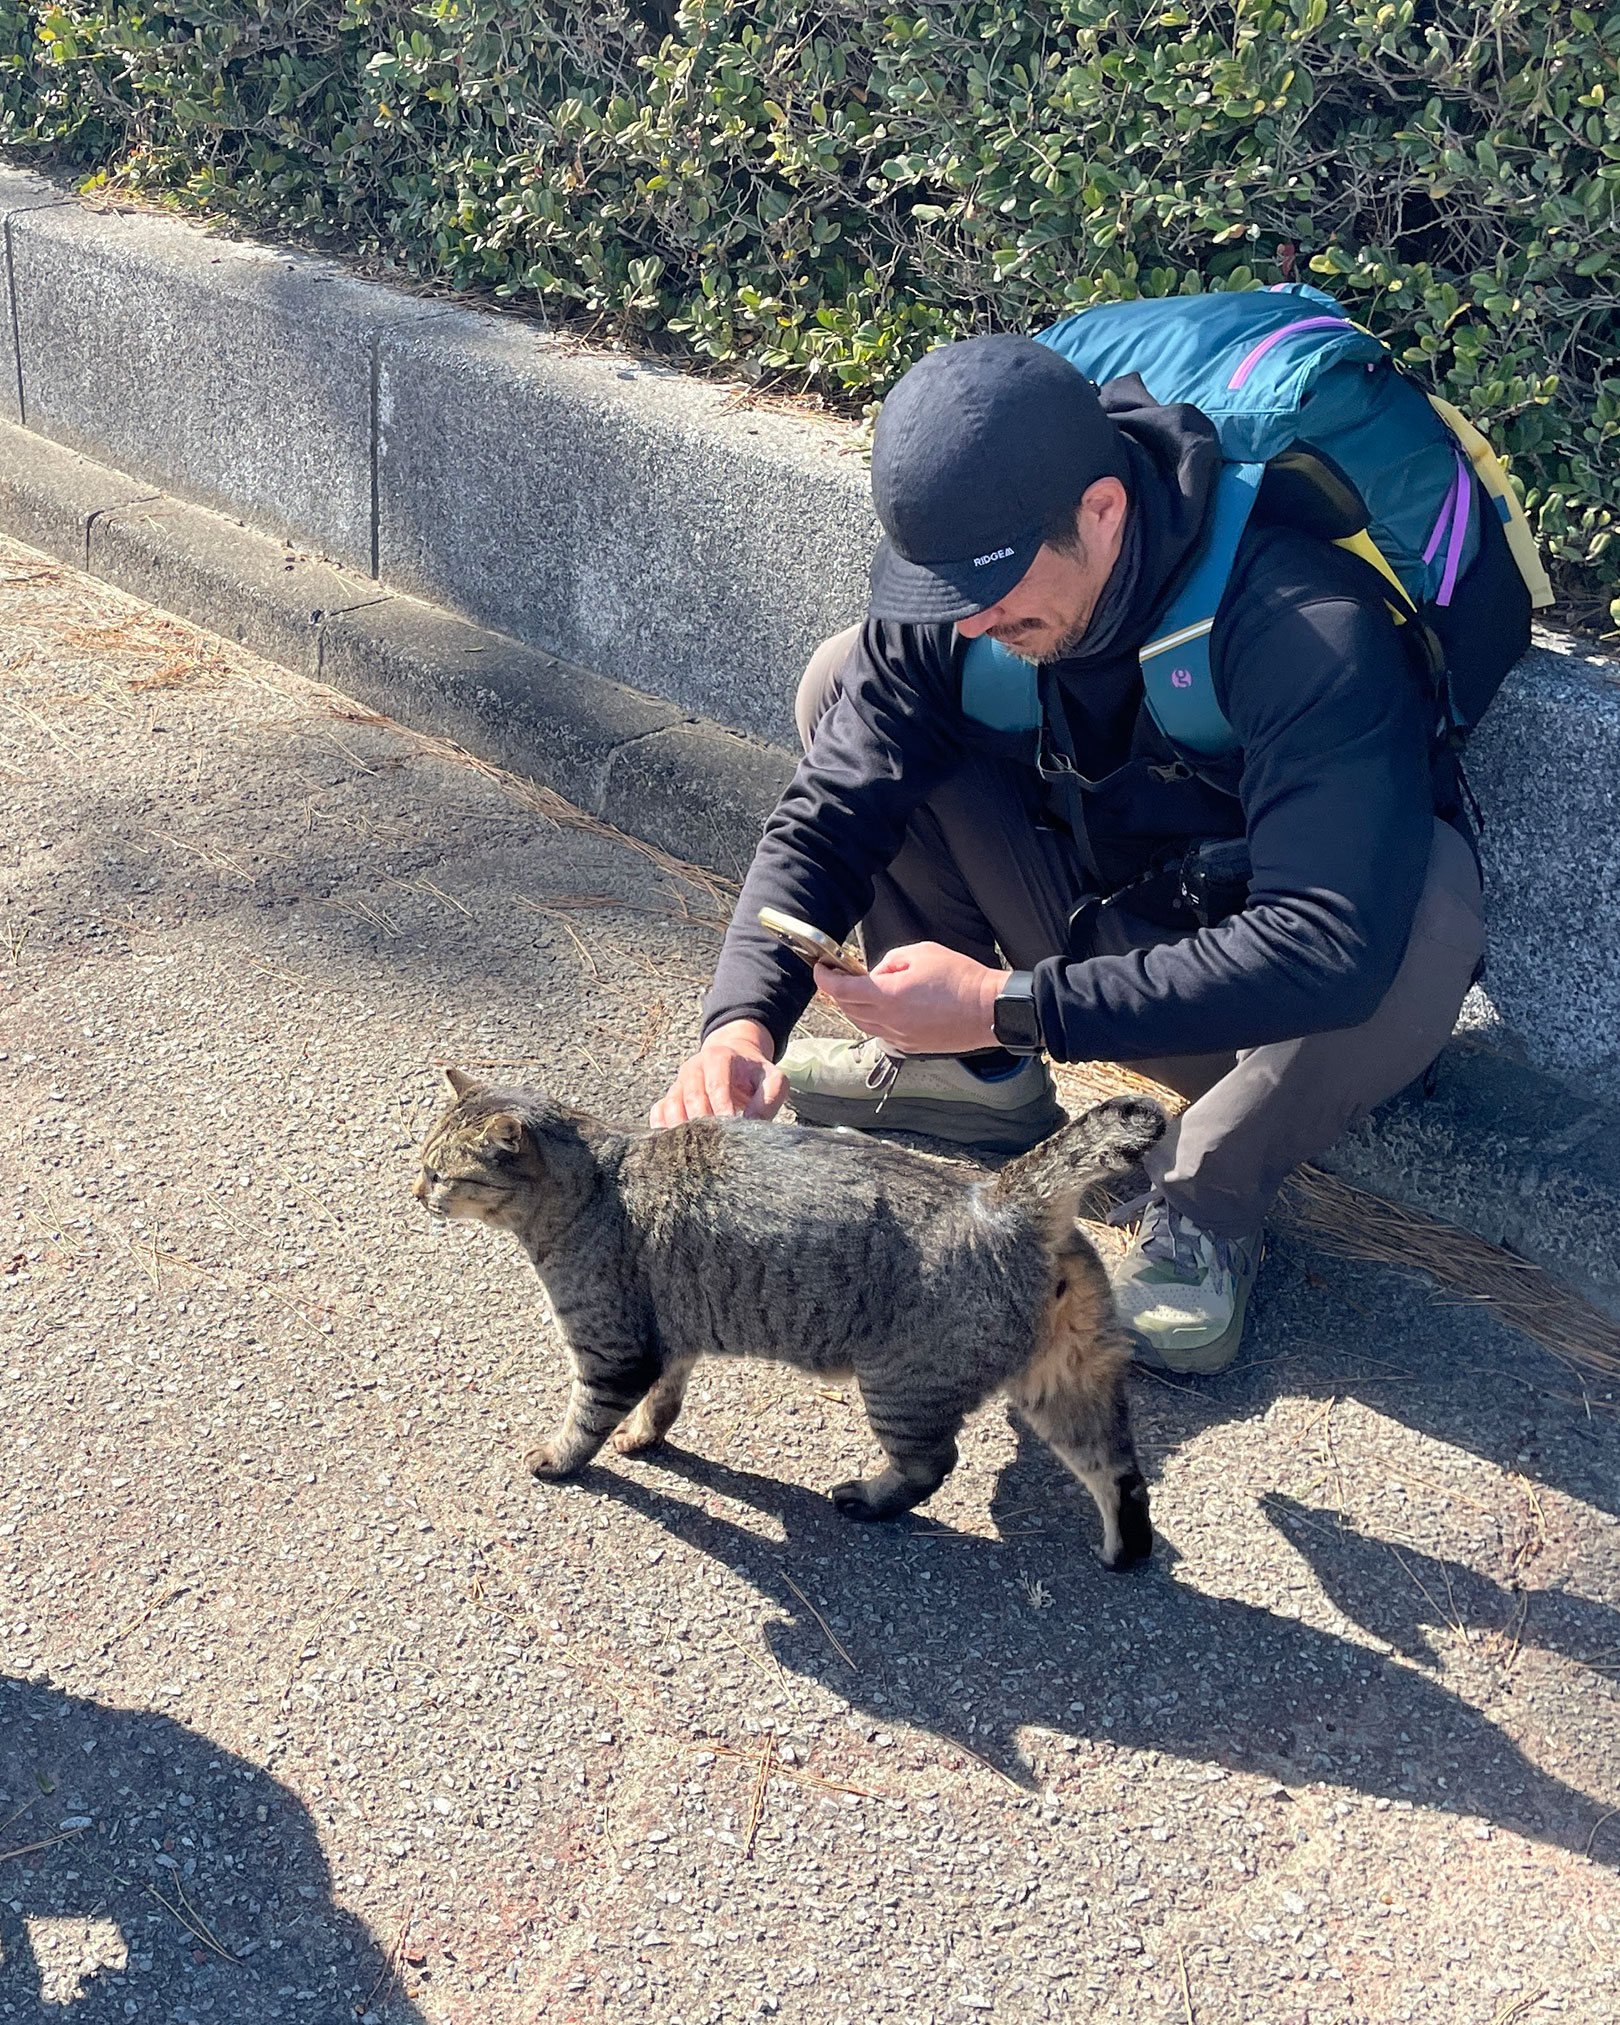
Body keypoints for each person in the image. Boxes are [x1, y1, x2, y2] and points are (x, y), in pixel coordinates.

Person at [650, 334, 1515, 1373]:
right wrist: (740, 1026)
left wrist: (1011, 1000)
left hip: (1268, 1005)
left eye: (998, 587)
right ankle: (968, 1076)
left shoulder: (1300, 623)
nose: (969, 619)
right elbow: (831, 806)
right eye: (945, 590)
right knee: (846, 682)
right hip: (1088, 906)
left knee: (1430, 902)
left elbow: (1325, 944)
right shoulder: (969, 582)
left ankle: (1212, 1198)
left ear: (1103, 511)